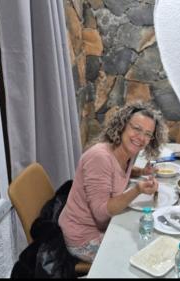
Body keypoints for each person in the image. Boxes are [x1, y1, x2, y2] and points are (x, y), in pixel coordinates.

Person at [59, 102, 168, 263]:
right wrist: (137, 190)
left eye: (147, 134)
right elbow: (101, 213)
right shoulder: (99, 158)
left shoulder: (127, 152)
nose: (141, 138)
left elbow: (117, 172)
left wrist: (142, 172)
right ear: (123, 125)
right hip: (83, 237)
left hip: (106, 227)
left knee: (153, 240)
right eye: (136, 129)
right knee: (142, 259)